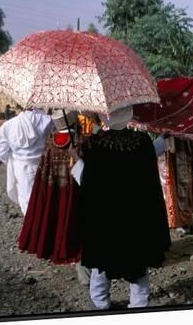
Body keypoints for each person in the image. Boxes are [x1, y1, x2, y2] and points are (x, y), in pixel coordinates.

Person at [68, 106, 171, 309]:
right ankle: (138, 307)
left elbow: (88, 182)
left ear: (107, 118)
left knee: (102, 264)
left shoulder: (97, 146)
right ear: (130, 118)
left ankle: (101, 305)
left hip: (106, 220)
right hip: (137, 219)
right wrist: (163, 140)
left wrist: (76, 158)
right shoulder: (141, 142)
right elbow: (151, 155)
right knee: (138, 265)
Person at [0, 107, 53, 215]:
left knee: (26, 197)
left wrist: (13, 160)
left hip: (21, 167)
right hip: (42, 164)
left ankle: (30, 223)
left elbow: (2, 152)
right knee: (44, 194)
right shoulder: (45, 119)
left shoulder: (7, 126)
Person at [153, 135, 193, 237]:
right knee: (167, 184)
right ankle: (172, 220)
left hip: (182, 145)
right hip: (165, 148)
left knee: (183, 184)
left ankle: (183, 221)